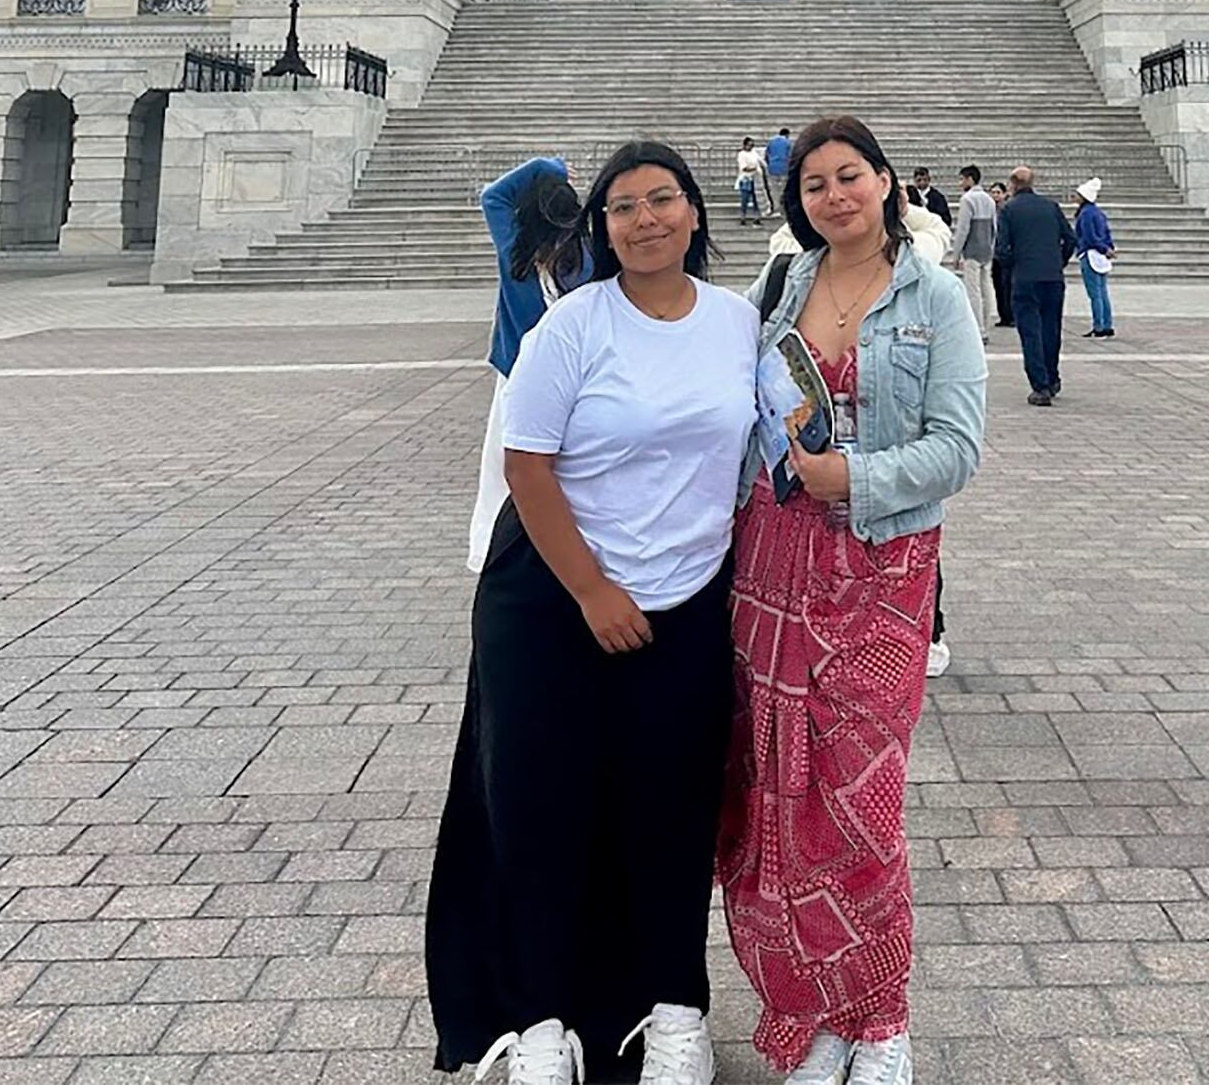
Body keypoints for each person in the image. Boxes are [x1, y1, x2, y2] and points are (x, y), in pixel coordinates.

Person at [427, 140, 757, 1085]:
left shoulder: (738, 322)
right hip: (553, 598)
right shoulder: (570, 325)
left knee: (673, 810)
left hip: (688, 598)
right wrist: (592, 591)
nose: (645, 219)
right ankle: (539, 1021)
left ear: (696, 213)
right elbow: (524, 465)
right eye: (623, 206)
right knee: (538, 807)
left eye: (663, 200)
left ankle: (673, 1012)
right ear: (599, 227)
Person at [721, 115, 986, 1085]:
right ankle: (813, 1008)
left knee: (856, 807)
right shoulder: (785, 283)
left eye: (850, 176)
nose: (834, 194)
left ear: (885, 182)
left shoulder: (937, 296)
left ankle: (882, 1018)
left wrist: (852, 478)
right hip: (771, 565)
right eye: (817, 183)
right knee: (772, 804)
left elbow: (958, 448)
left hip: (875, 574)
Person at [466, 159, 589, 581]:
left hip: (517, 380)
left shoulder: (513, 247)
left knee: (505, 475)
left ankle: (494, 549)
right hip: (574, 383)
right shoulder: (587, 259)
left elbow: (492, 195)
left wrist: (547, 165)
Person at [994, 165, 1073, 406]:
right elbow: (1070, 238)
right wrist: (1058, 261)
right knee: (1051, 328)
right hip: (1052, 277)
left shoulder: (1009, 210)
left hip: (1025, 277)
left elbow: (1001, 249)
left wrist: (1012, 267)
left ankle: (1040, 385)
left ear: (1012, 185)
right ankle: (1052, 377)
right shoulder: (1051, 207)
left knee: (1030, 331)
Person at [951, 167, 996, 332]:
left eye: (962, 179)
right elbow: (994, 226)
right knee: (986, 288)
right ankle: (986, 323)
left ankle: (978, 327)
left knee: (973, 290)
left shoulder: (967, 199)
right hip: (986, 248)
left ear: (970, 179)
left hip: (972, 249)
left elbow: (963, 229)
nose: (961, 183)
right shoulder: (989, 199)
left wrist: (956, 253)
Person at [1073, 177, 1116, 340]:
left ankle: (1098, 325)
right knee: (1103, 291)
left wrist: (1102, 248)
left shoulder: (1085, 214)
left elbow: (1089, 237)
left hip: (1091, 254)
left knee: (1095, 294)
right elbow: (1106, 233)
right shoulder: (1098, 213)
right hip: (1102, 256)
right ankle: (1107, 324)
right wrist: (1109, 248)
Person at [987, 179, 1015, 328]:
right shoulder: (989, 210)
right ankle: (1003, 315)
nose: (995, 196)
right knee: (998, 285)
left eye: (998, 193)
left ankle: (1011, 315)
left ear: (1004, 194)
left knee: (1007, 285)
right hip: (993, 253)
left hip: (1005, 252)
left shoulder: (1009, 210)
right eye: (993, 193)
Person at [736, 135, 769, 223]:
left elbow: (761, 161)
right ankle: (743, 216)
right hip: (746, 179)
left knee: (756, 199)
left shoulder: (753, 153)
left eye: (752, 145)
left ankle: (757, 217)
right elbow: (743, 168)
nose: (750, 147)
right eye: (749, 145)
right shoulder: (742, 154)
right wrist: (753, 168)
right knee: (745, 199)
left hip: (755, 179)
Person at [763, 124, 793, 211]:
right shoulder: (787, 143)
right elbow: (790, 156)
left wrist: (769, 164)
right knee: (783, 187)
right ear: (787, 135)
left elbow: (766, 155)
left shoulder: (772, 142)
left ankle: (775, 206)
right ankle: (782, 205)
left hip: (772, 167)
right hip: (784, 167)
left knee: (774, 188)